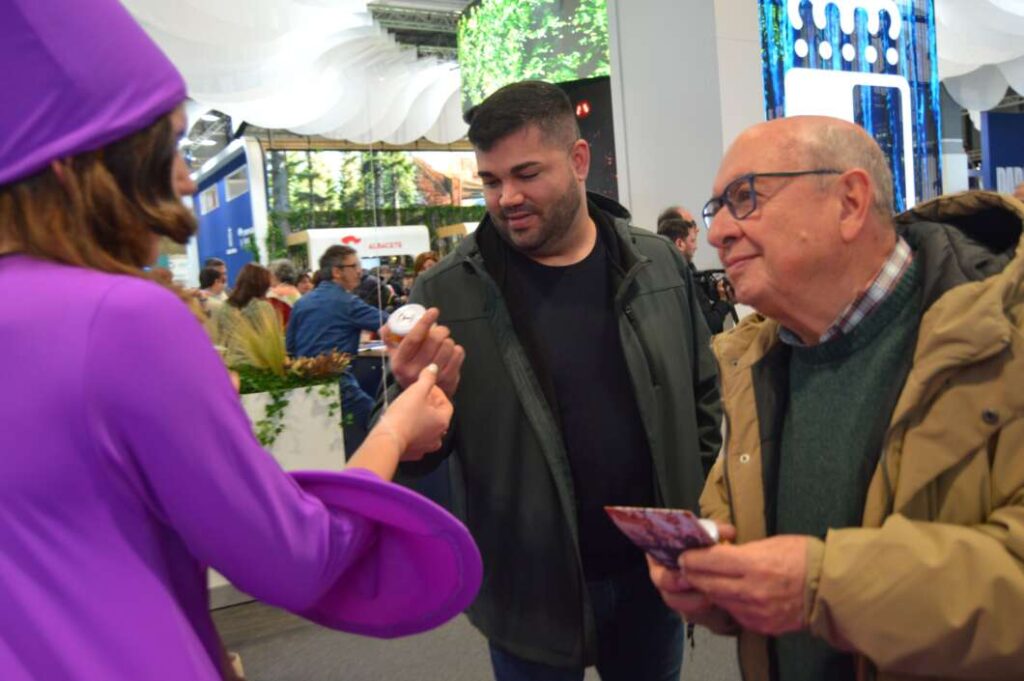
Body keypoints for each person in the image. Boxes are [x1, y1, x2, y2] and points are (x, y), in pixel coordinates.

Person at [0, 2, 467, 679]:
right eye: (166, 150)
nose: (187, 179)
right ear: (82, 165)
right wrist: (398, 427)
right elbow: (293, 556)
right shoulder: (124, 318)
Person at [650, 115, 1024, 681]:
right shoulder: (753, 363)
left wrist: (826, 586)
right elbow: (738, 526)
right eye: (716, 208)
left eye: (744, 197)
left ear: (850, 201)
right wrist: (716, 585)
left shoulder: (1005, 336)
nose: (719, 231)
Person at [382, 80, 722, 680]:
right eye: (490, 180)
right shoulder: (446, 293)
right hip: (528, 593)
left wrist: (688, 513)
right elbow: (416, 462)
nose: (506, 196)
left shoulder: (658, 266)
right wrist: (414, 412)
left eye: (526, 173)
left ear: (579, 160)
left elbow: (702, 399)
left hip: (653, 580)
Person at [287, 245, 388, 454]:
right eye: (354, 265)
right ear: (336, 271)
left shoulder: (301, 303)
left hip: (304, 389)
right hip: (341, 387)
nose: (360, 271)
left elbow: (291, 348)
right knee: (385, 429)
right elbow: (390, 323)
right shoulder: (347, 302)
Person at [657, 213, 735, 334]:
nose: (696, 247)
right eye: (692, 241)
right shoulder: (686, 279)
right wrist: (724, 301)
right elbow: (710, 325)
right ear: (679, 244)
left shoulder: (662, 273)